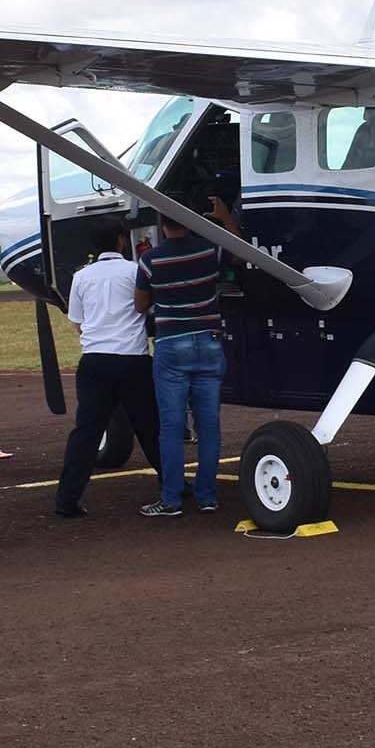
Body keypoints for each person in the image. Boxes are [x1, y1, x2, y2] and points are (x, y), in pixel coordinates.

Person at [135, 198, 238, 517]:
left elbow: (140, 306)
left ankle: (171, 499)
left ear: (162, 224)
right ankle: (207, 497)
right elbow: (239, 250)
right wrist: (223, 218)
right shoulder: (210, 251)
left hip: (171, 346)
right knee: (209, 425)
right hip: (209, 341)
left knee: (171, 426)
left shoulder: (150, 260)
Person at [53, 220, 160, 518]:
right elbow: (147, 308)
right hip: (132, 358)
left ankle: (67, 499)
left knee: (86, 433)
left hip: (94, 360)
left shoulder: (81, 277)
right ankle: (173, 485)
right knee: (150, 427)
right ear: (121, 240)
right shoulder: (134, 270)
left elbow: (77, 320)